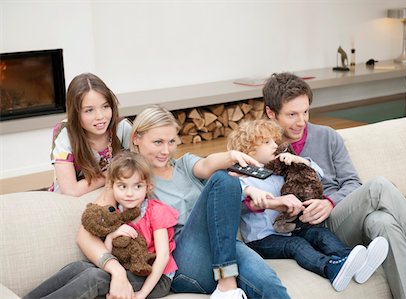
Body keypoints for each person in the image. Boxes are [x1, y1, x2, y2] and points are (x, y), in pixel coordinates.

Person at [77, 104, 298, 299]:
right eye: (158, 142)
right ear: (136, 138)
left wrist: (230, 157)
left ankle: (226, 283)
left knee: (268, 282)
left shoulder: (184, 165)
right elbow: (85, 234)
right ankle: (227, 282)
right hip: (185, 264)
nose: (166, 150)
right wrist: (114, 268)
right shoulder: (130, 181)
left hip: (223, 248)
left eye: (171, 141)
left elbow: (207, 164)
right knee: (223, 180)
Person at [263, 72, 406, 299]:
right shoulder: (264, 148)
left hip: (341, 218)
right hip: (311, 231)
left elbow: (352, 182)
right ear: (271, 113)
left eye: (305, 112)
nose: (301, 121)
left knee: (384, 223)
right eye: (292, 114)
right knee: (379, 186)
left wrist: (330, 202)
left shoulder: (328, 136)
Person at [227, 119, 389, 292]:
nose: (275, 145)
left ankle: (353, 260)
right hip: (261, 239)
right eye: (267, 142)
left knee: (319, 233)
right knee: (296, 245)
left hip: (290, 228)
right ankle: (331, 268)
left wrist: (299, 161)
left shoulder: (278, 171)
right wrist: (256, 193)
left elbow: (317, 176)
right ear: (248, 150)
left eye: (275, 141)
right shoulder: (241, 178)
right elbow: (243, 197)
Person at [24, 150, 178, 299]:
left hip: (156, 278)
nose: (130, 193)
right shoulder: (115, 213)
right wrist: (111, 236)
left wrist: (142, 293)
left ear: (148, 187)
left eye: (137, 186)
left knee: (94, 277)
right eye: (122, 186)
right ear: (112, 186)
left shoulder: (156, 211)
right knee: (78, 266)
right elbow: (110, 254)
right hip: (128, 269)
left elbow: (163, 256)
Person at [49, 72, 132, 196]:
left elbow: (139, 171)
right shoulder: (65, 133)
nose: (100, 116)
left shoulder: (122, 128)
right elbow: (70, 190)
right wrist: (109, 175)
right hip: (72, 199)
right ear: (75, 113)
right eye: (89, 110)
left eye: (105, 106)